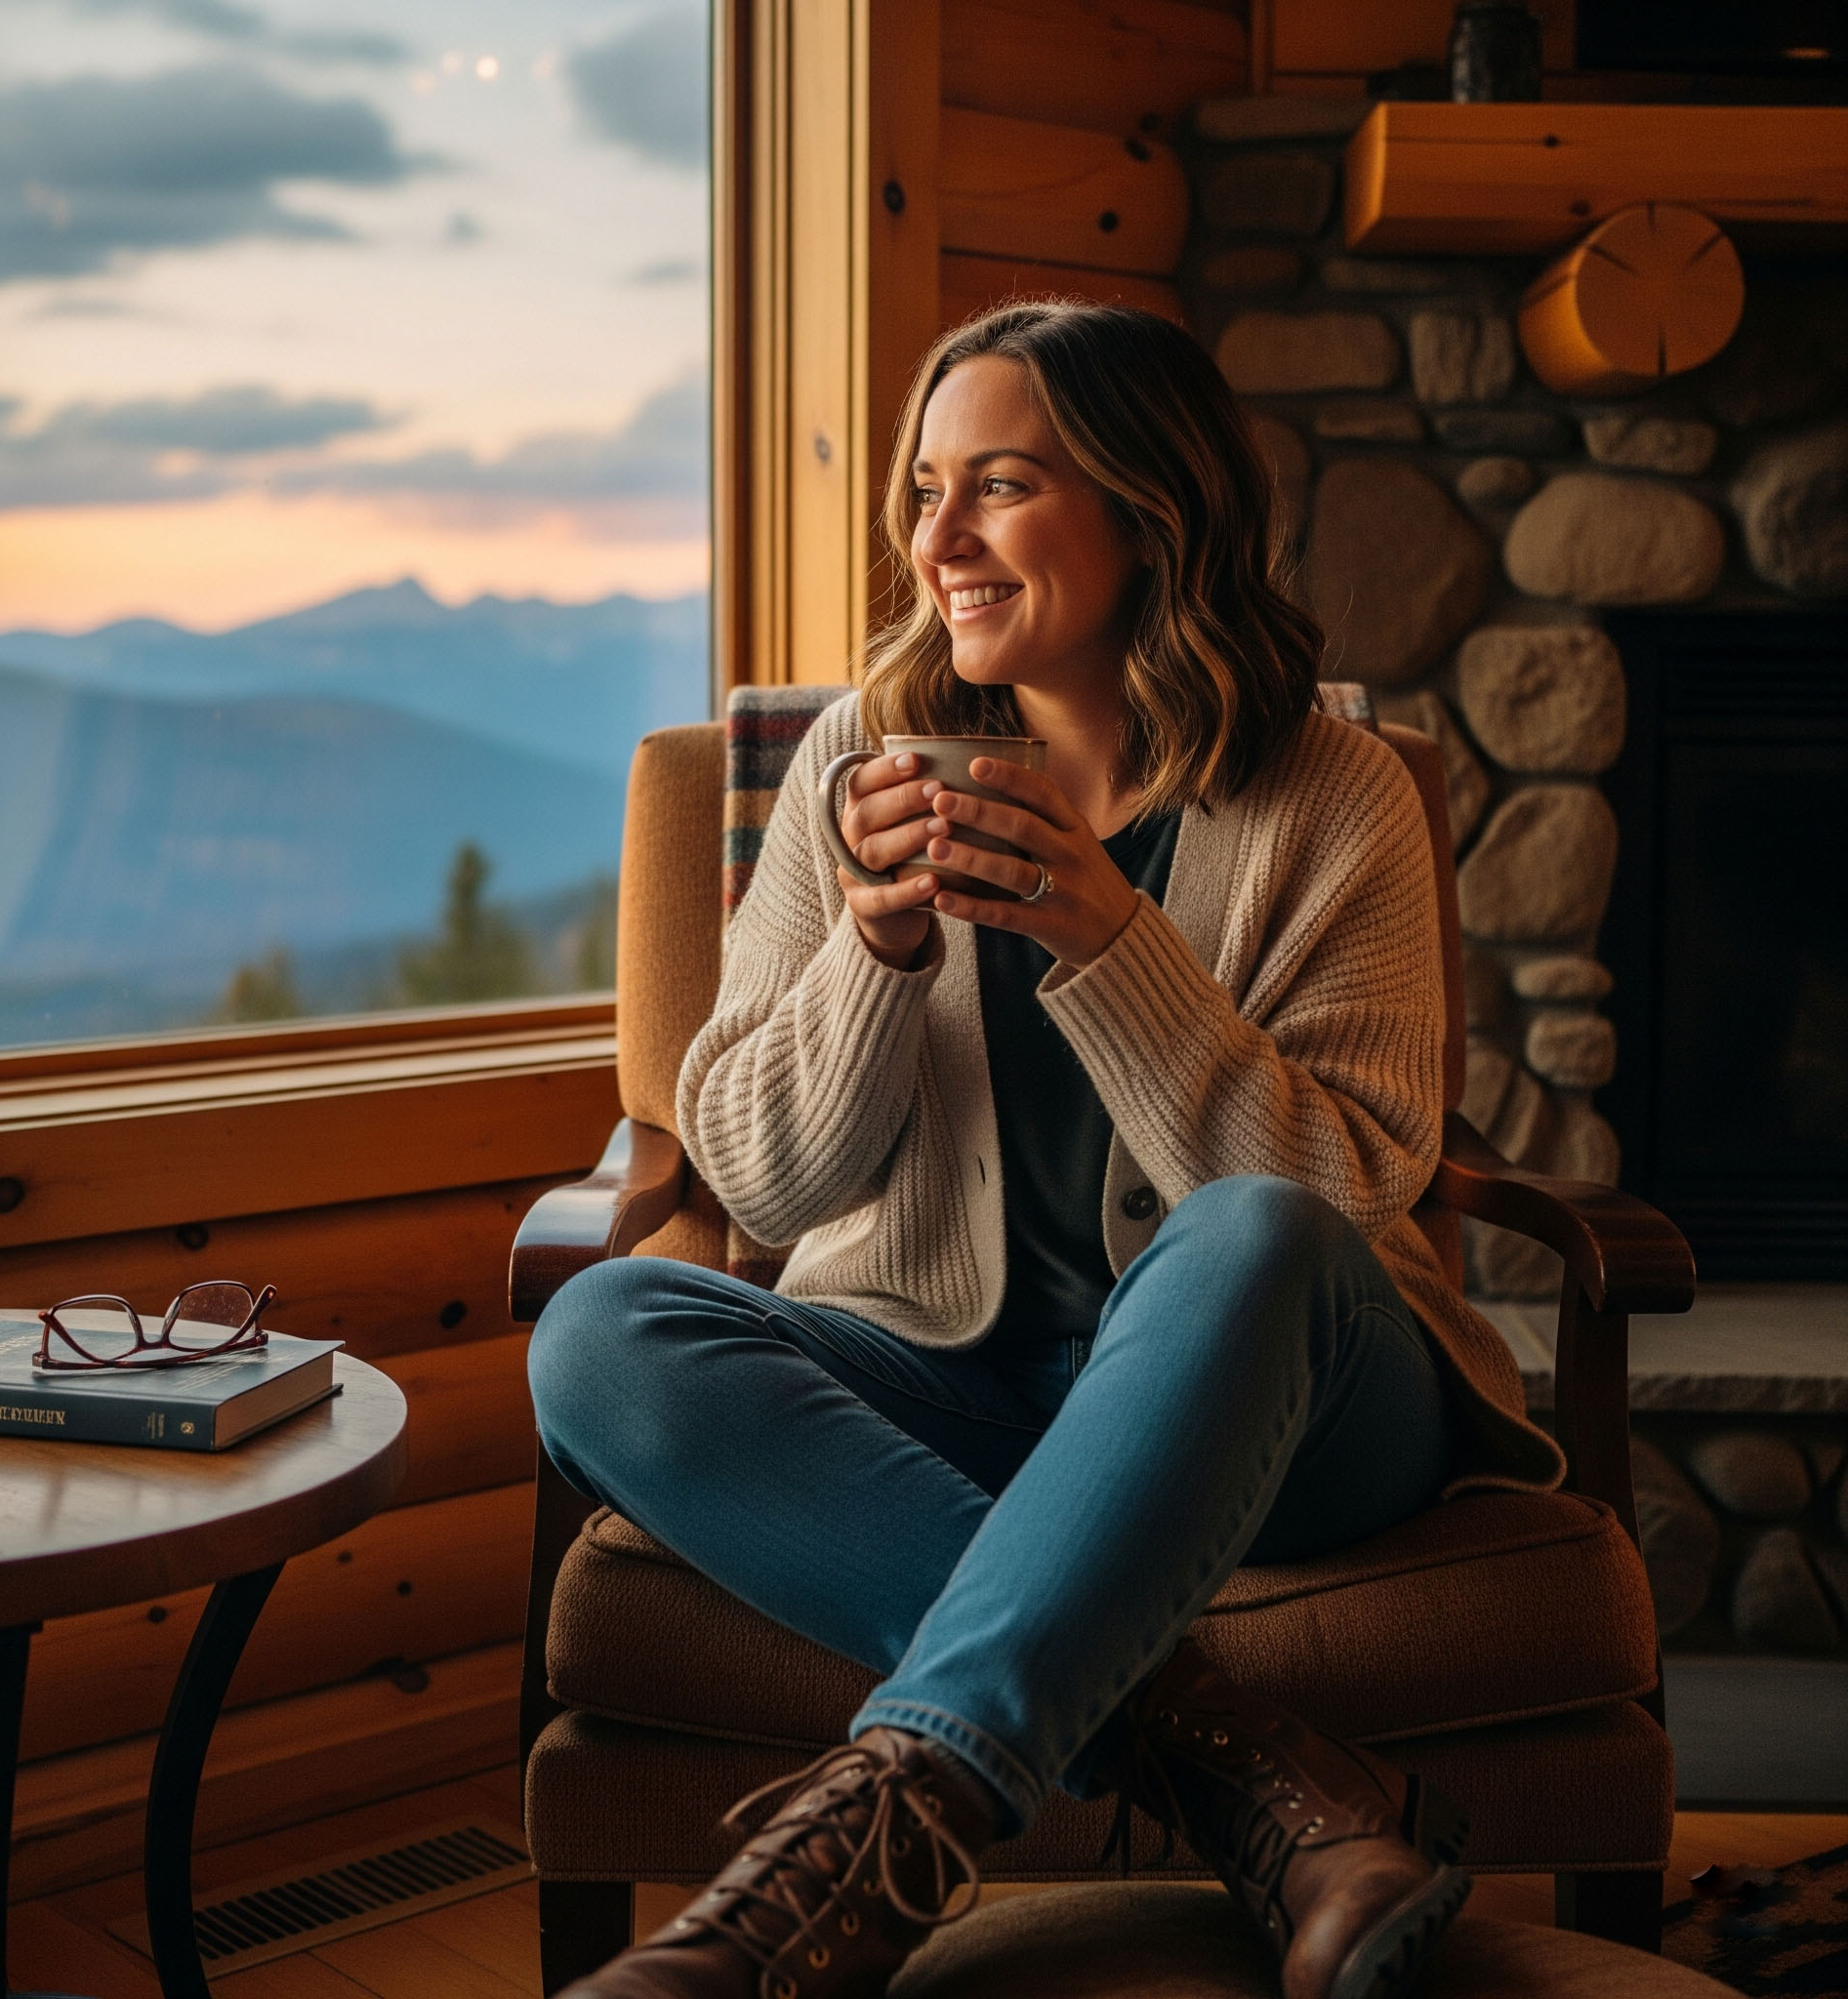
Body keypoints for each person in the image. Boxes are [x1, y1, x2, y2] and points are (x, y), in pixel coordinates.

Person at [528, 301, 1562, 1999]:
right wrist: (871, 956)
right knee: (605, 1333)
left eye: (997, 486)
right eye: (926, 491)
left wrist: (1111, 944)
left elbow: (1346, 1191)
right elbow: (761, 1185)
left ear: (1153, 510)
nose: (937, 540)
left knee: (1246, 1235)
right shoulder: (856, 773)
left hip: (1289, 1400)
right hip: (947, 1384)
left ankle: (853, 1863)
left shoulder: (1335, 793)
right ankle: (1262, 1785)